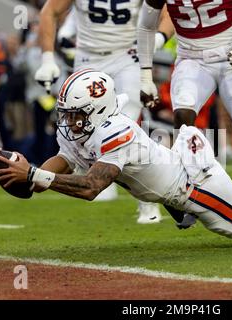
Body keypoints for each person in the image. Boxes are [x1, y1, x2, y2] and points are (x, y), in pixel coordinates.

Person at [0, 70, 232, 241]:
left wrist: (35, 175)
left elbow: (90, 188)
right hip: (177, 181)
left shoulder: (116, 131)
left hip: (193, 185)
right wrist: (22, 172)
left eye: (76, 113)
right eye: (66, 113)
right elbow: (60, 163)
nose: (69, 121)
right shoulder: (80, 128)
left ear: (98, 109)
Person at [33, 0, 175, 223]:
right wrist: (47, 58)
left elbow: (167, 11)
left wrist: (159, 37)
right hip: (88, 56)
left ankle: (147, 200)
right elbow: (49, 11)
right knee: (81, 124)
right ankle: (95, 177)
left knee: (126, 124)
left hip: (128, 55)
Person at [136, 0, 232, 198]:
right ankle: (185, 190)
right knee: (183, 118)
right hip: (191, 58)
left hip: (231, 54)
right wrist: (145, 76)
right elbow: (146, 25)